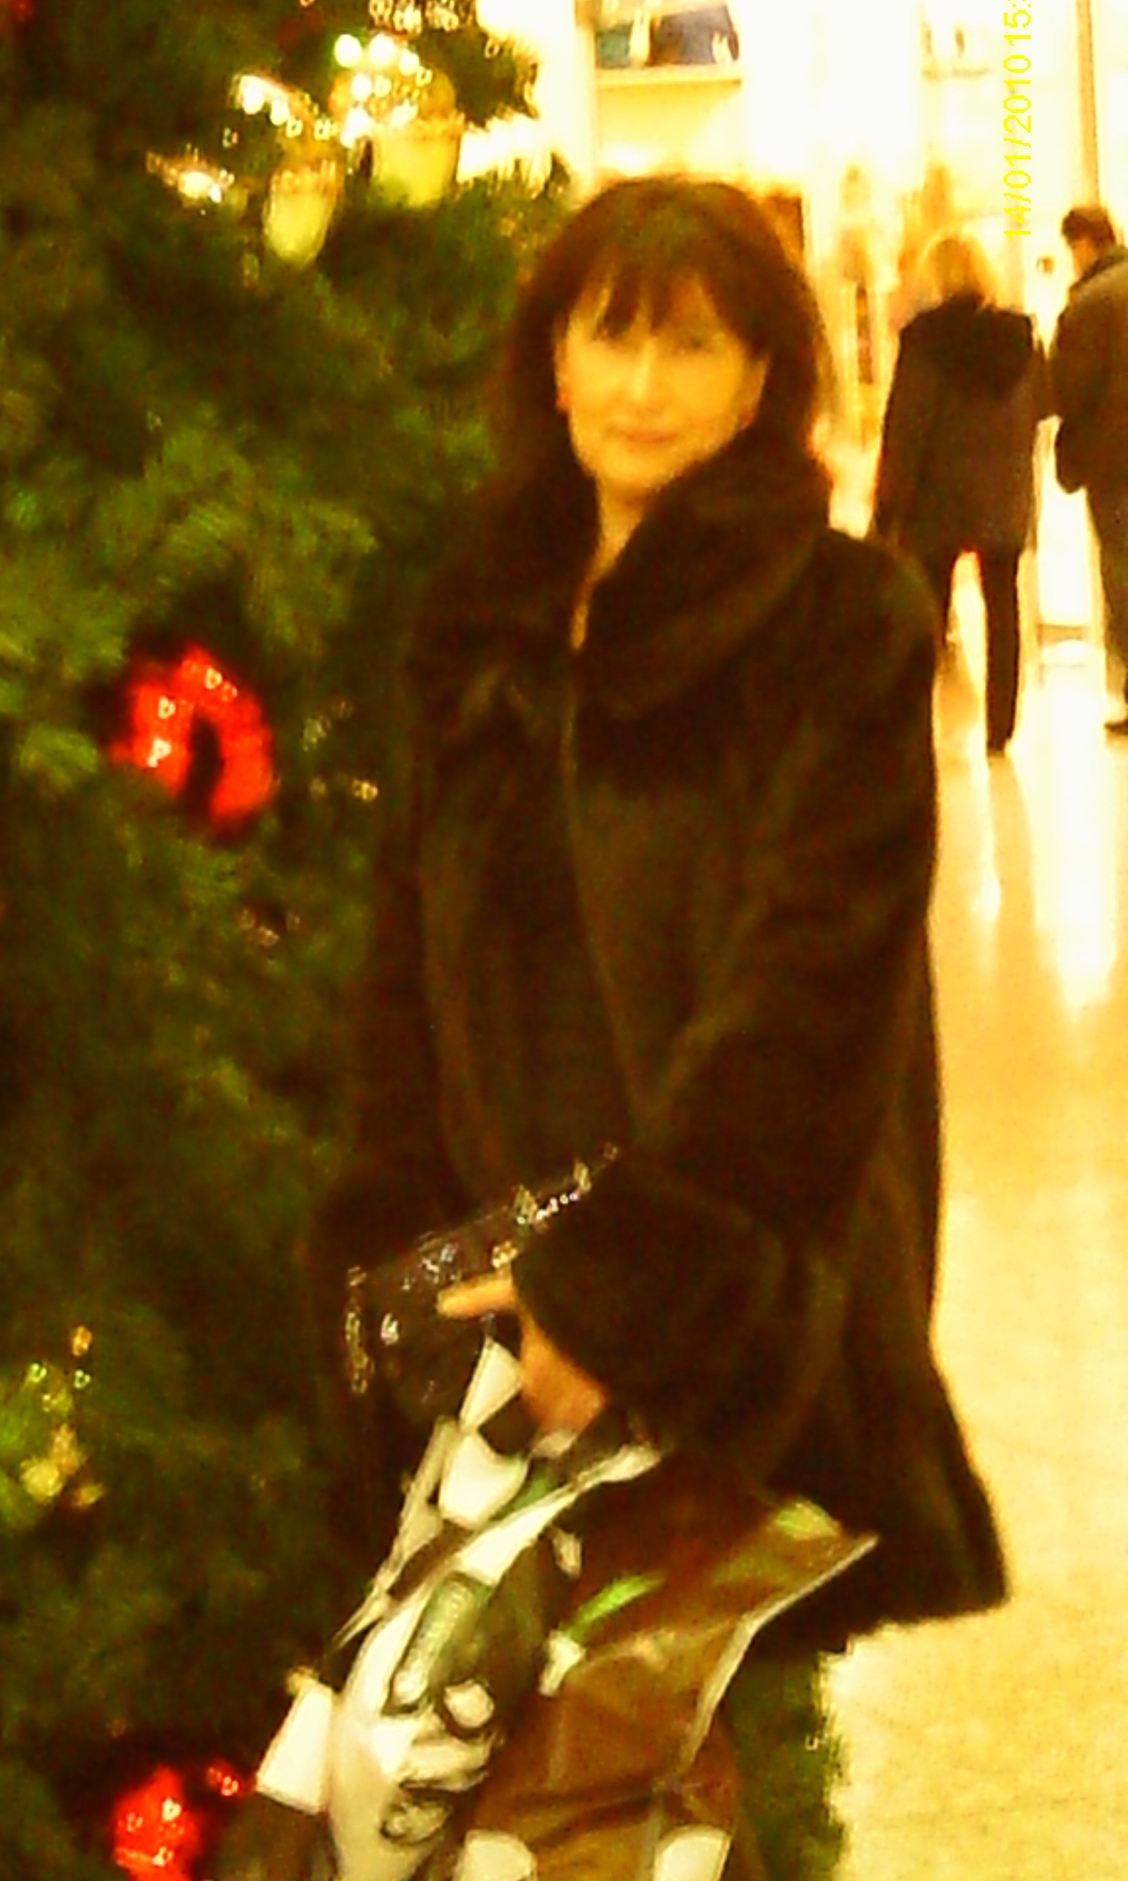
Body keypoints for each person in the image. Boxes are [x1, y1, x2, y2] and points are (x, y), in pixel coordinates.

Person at [309, 176, 1007, 1877]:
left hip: (735, 1309)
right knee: (507, 1804)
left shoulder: (841, 621)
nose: (641, 387)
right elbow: (407, 959)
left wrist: (622, 1294)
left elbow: (811, 1001)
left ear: (761, 379)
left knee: (704, 1774)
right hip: (489, 1298)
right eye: (610, 338)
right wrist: (395, 1233)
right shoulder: (479, 616)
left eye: (691, 347)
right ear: (551, 360)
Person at [870, 232, 1048, 754]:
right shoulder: (1020, 336)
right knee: (1003, 607)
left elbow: (908, 426)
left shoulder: (924, 340)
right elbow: (1042, 403)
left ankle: (921, 722)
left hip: (938, 494)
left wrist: (889, 502)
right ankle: (1000, 728)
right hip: (1003, 489)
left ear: (937, 277)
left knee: (929, 610)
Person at [1050, 203, 1128, 735]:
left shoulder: (1090, 304)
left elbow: (1065, 390)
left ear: (1082, 243)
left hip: (1114, 463)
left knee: (1122, 572)